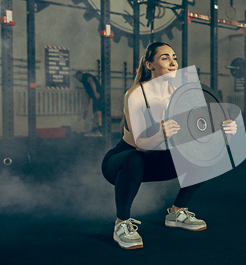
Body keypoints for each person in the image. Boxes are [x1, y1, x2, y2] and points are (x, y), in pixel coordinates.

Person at [101, 42, 237, 250]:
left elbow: (200, 130)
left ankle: (176, 211)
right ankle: (122, 223)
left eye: (174, 57)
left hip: (156, 160)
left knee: (206, 154)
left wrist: (224, 127)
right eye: (165, 58)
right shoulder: (137, 94)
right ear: (150, 65)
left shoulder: (181, 95)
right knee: (134, 159)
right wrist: (160, 135)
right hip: (124, 161)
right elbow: (139, 145)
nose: (173, 62)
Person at [75, 71, 103, 136]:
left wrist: (95, 92)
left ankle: (100, 128)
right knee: (95, 113)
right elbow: (87, 97)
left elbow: (91, 82)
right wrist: (85, 107)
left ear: (80, 75)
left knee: (98, 112)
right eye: (77, 78)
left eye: (78, 77)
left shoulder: (85, 76)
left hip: (98, 95)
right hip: (94, 97)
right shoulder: (84, 83)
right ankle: (95, 129)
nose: (78, 79)